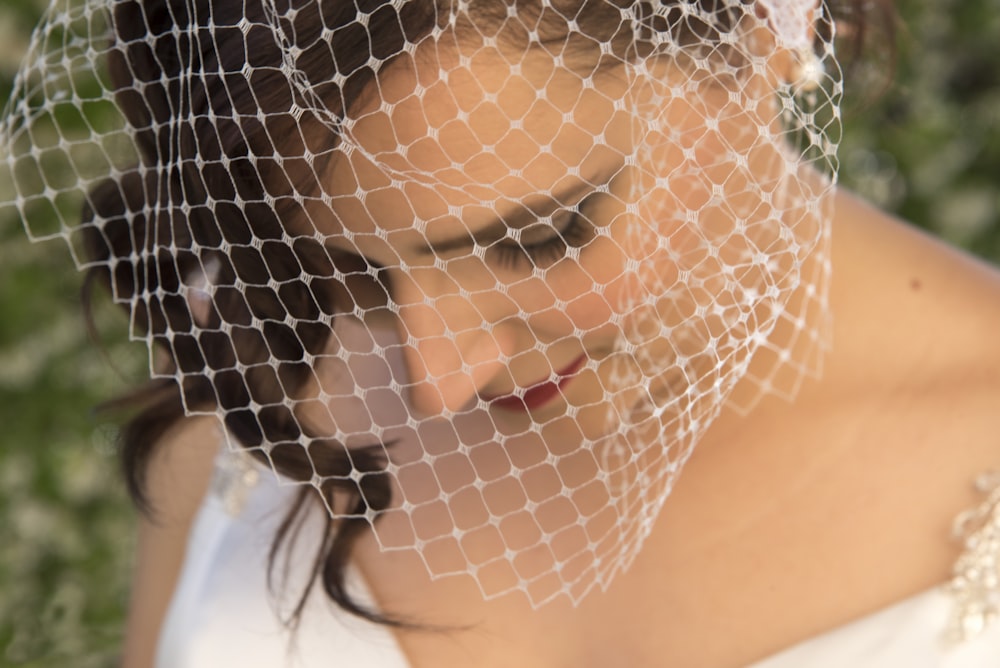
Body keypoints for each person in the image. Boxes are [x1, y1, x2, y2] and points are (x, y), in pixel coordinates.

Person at [2, 0, 999, 666]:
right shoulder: (261, 381)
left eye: (539, 235)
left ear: (765, 28)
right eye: (348, 267)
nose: (435, 380)